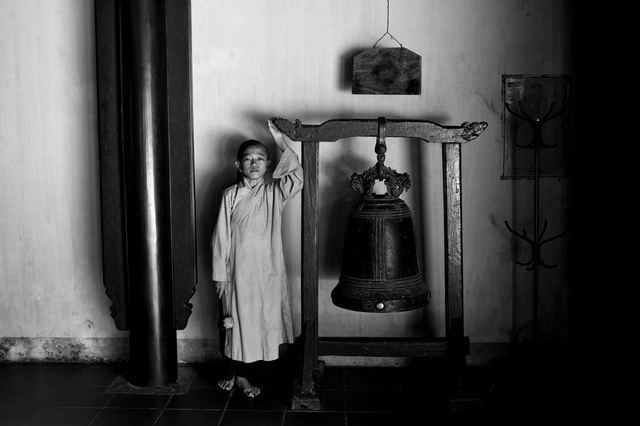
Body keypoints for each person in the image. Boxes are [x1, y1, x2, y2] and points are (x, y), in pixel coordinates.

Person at [210, 118, 303, 397]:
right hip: (238, 271)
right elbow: (220, 238)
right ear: (238, 166)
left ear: (268, 165)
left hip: (268, 270)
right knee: (235, 322)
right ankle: (237, 375)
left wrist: (278, 139)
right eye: (248, 159)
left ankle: (255, 373)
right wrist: (221, 276)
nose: (254, 163)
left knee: (264, 321)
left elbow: (297, 175)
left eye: (260, 159)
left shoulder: (275, 192)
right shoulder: (230, 196)